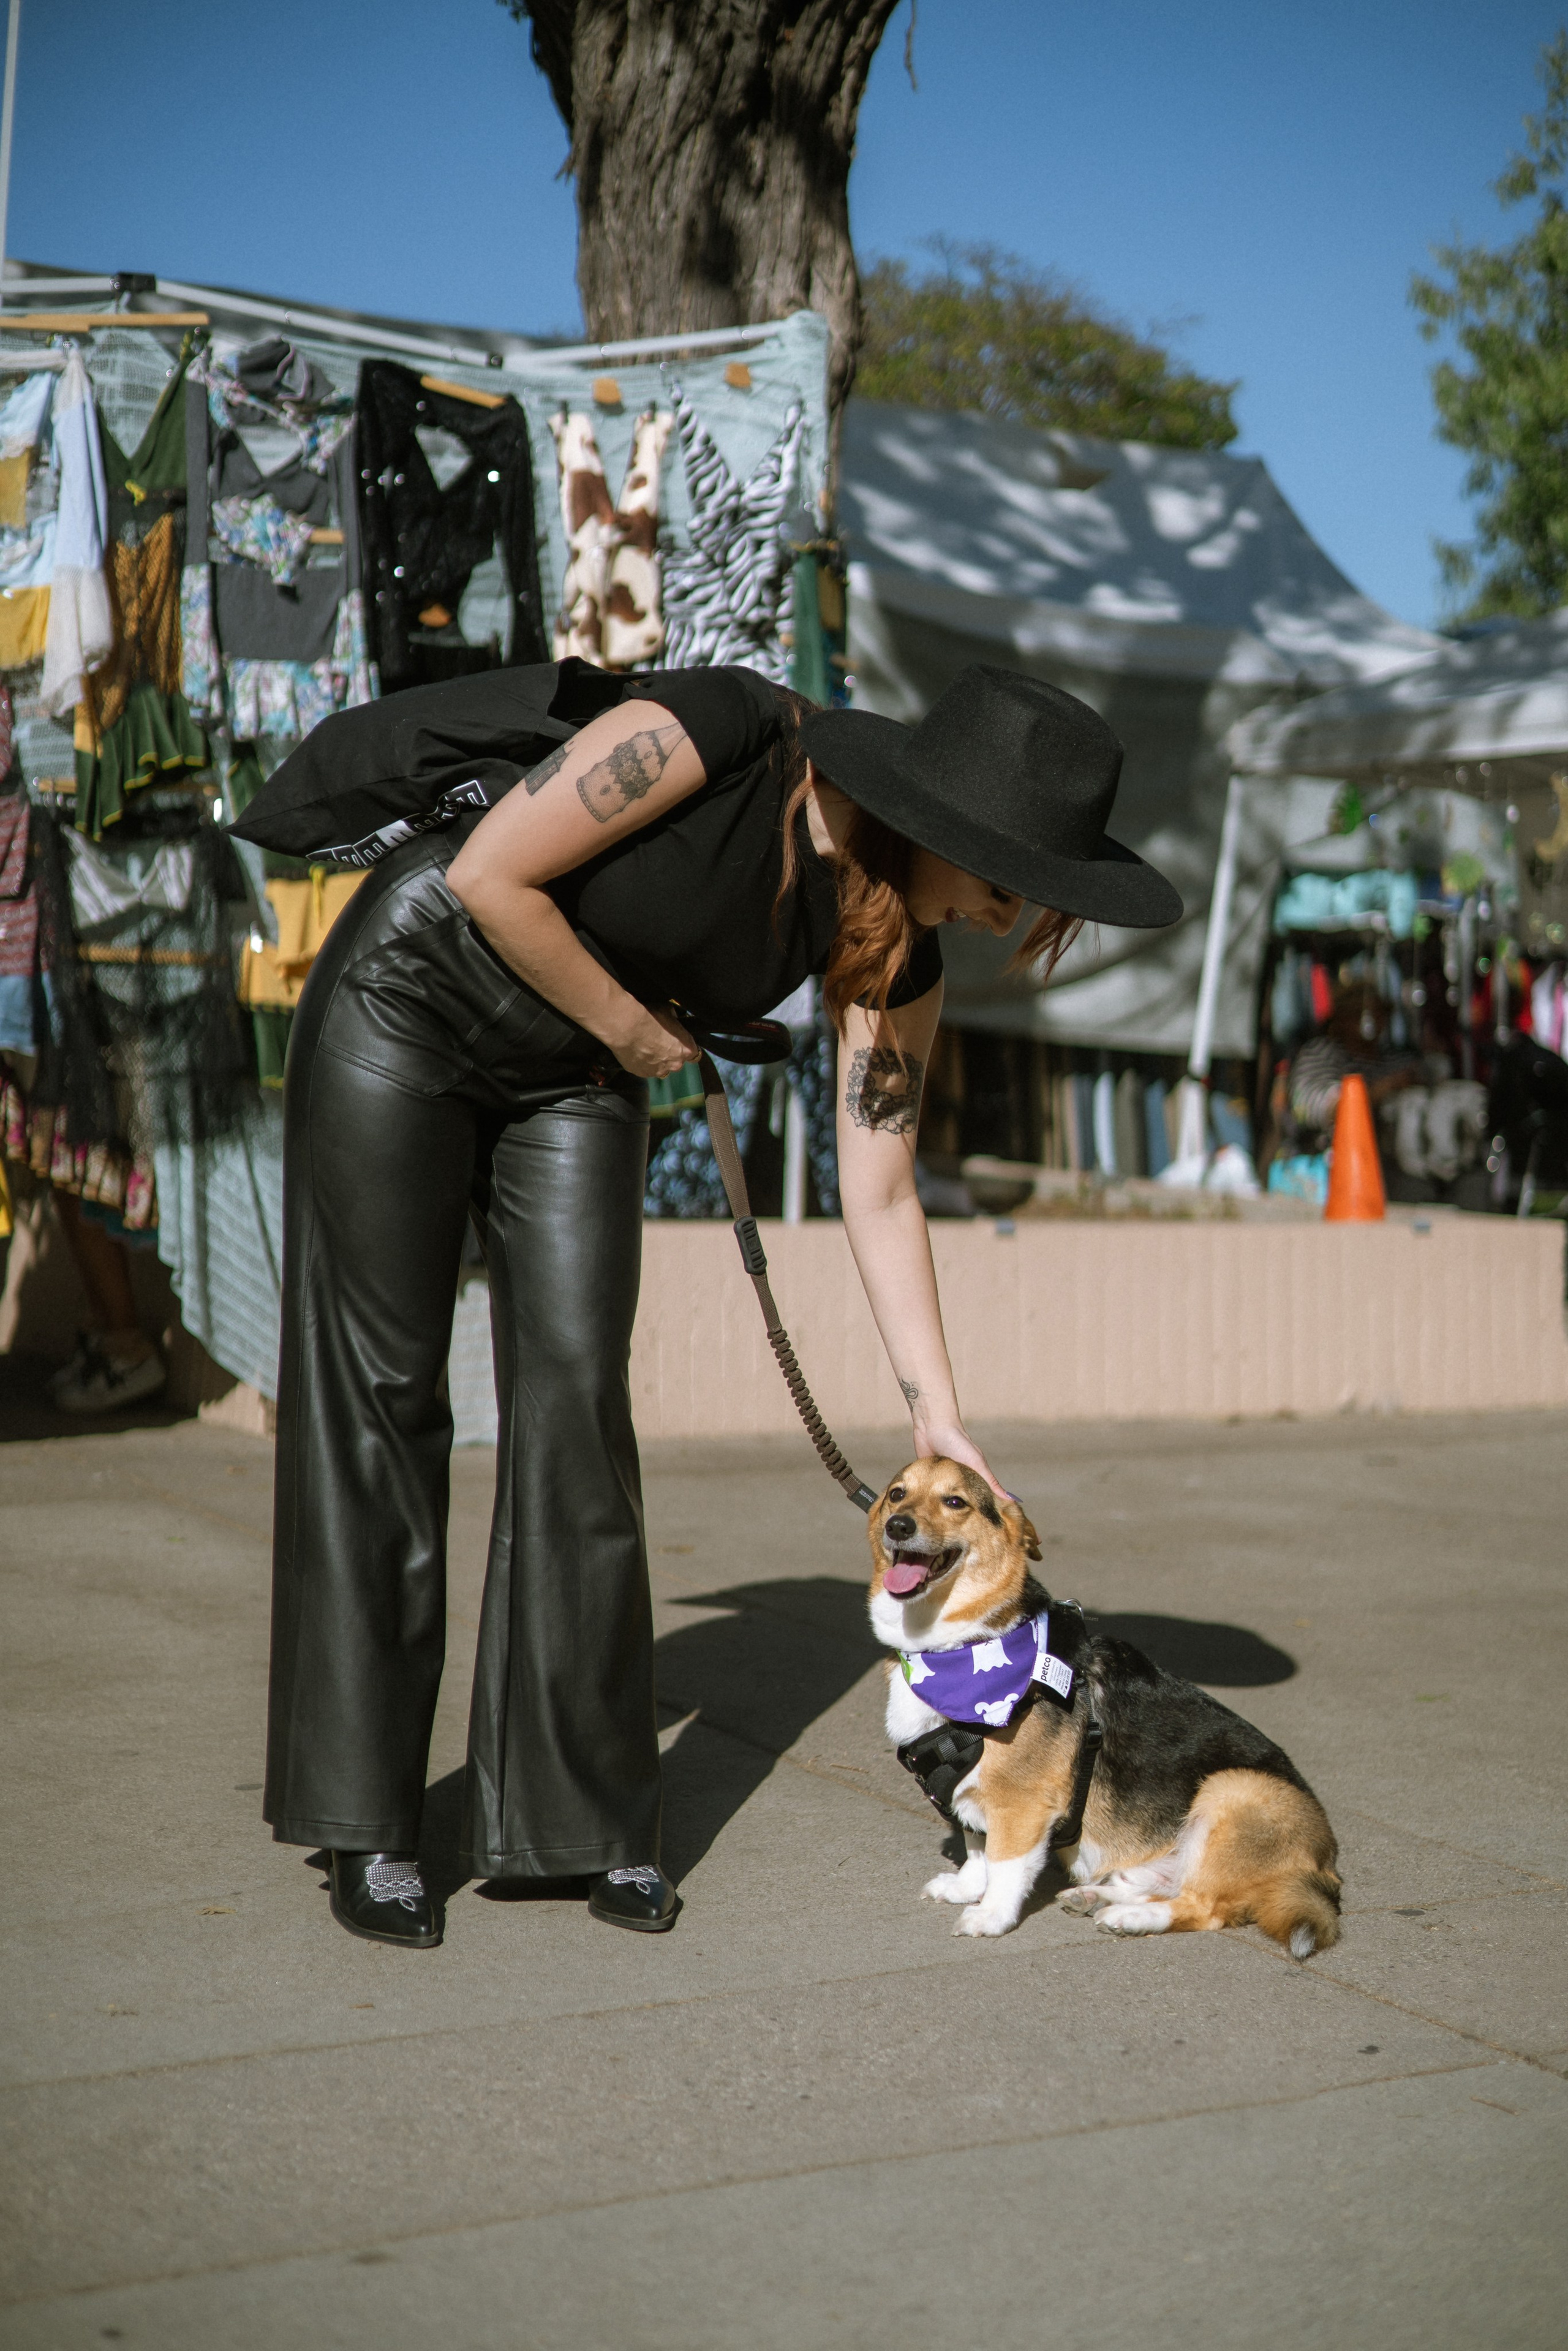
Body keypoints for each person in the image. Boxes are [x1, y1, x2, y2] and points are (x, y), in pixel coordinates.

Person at [263, 662, 1180, 1949]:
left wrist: (942, 1420)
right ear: (943, 822)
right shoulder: (728, 733)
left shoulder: (899, 959)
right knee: (383, 1396)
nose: (1004, 913)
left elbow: (882, 1191)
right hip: (411, 1001)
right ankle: (367, 1818)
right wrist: (641, 1036)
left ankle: (576, 1821)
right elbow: (488, 877)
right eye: (1007, 880)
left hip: (581, 1065)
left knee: (579, 1404)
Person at [1287, 976, 1417, 1152]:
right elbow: (1315, 1108)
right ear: (1342, 1018)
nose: (1376, 1022)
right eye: (1366, 1015)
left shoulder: (1396, 1058)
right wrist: (1384, 1089)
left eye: (1382, 1013)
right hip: (1337, 1160)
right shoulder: (1322, 1054)